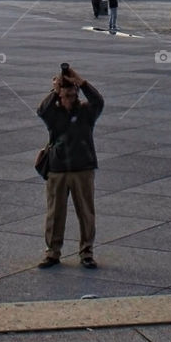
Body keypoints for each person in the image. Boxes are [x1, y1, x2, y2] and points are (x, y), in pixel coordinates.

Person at [37, 66, 104, 269]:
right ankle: (53, 252)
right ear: (60, 97)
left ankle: (86, 252)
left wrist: (81, 82)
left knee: (86, 213)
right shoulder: (54, 114)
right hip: (58, 169)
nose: (71, 99)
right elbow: (42, 110)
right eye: (66, 95)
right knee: (55, 213)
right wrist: (55, 90)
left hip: (82, 168)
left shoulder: (86, 112)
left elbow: (98, 102)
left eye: (73, 95)